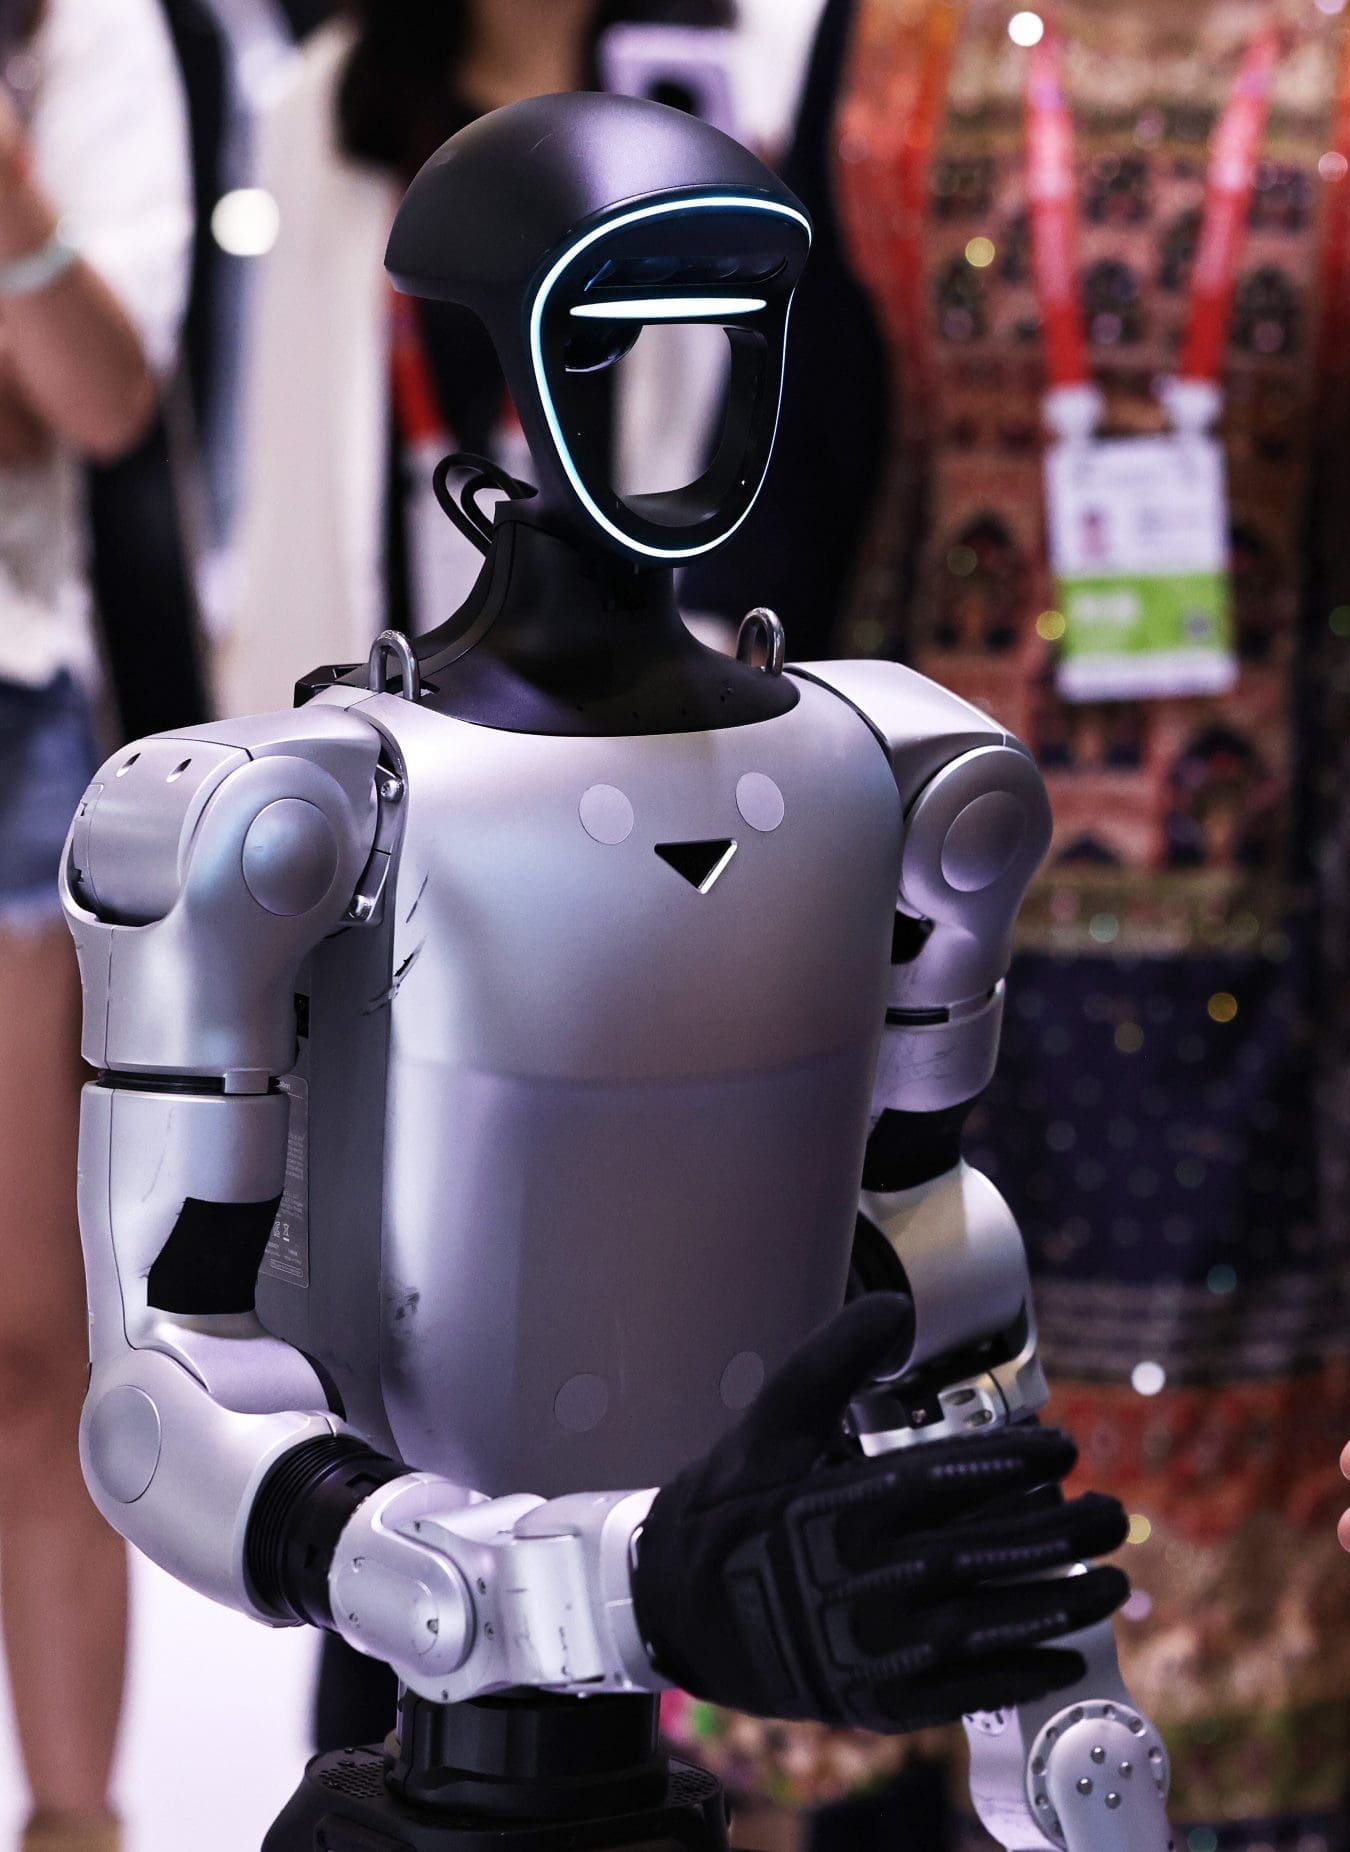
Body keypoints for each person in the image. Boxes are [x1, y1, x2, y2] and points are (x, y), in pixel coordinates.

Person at [680, 0, 1350, 1845]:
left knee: (1305, 1646)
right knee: (891, 1468)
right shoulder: (900, 35)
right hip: (911, 944)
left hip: (1306, 982)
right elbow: (776, 487)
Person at [211, 0, 826, 1773]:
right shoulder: (343, 107)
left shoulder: (697, 115)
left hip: (658, 770)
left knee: (680, 1310)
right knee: (405, 1328)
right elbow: (296, 419)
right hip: (402, 785)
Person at [215, 0, 821, 721]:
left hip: (642, 696)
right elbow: (284, 449)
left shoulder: (716, 89)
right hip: (389, 700)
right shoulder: (326, 103)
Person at [0, 2, 191, 1849]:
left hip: (9, 697)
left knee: (31, 1344)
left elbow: (97, 393)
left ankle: (75, 1823)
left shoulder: (91, 31)